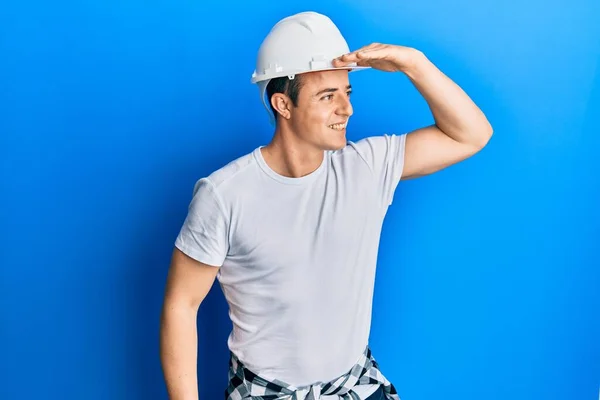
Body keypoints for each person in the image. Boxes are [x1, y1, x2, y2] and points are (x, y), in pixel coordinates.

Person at [160, 11, 492, 400]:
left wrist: (412, 63)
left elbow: (471, 134)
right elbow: (181, 305)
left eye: (347, 92)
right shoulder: (224, 195)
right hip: (265, 392)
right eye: (327, 96)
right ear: (283, 105)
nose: (346, 109)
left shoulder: (367, 166)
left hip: (354, 385)